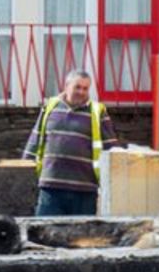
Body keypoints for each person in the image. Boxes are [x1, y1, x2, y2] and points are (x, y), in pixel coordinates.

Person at [22, 70, 122, 216]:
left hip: (84, 190)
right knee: (44, 234)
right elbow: (35, 140)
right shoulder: (50, 107)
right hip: (51, 188)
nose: (81, 92)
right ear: (67, 86)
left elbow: (111, 148)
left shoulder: (97, 112)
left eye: (85, 88)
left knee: (81, 237)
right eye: (77, 87)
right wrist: (23, 171)